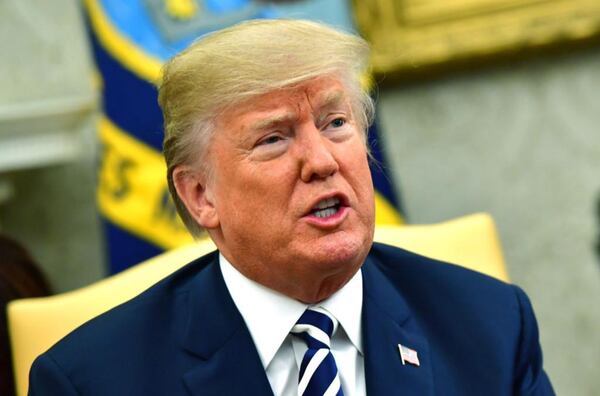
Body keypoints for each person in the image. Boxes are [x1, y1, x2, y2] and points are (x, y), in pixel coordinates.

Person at [28, 19, 554, 395]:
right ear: (199, 195)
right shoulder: (92, 379)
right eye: (274, 139)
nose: (322, 161)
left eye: (335, 123)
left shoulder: (490, 326)